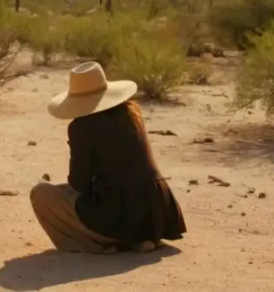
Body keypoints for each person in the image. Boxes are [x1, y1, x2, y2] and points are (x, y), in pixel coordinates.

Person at [29, 61, 187, 254]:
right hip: (156, 209)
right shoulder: (131, 113)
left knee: (41, 193)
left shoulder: (81, 126)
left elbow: (79, 184)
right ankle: (140, 239)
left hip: (116, 210)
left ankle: (100, 243)